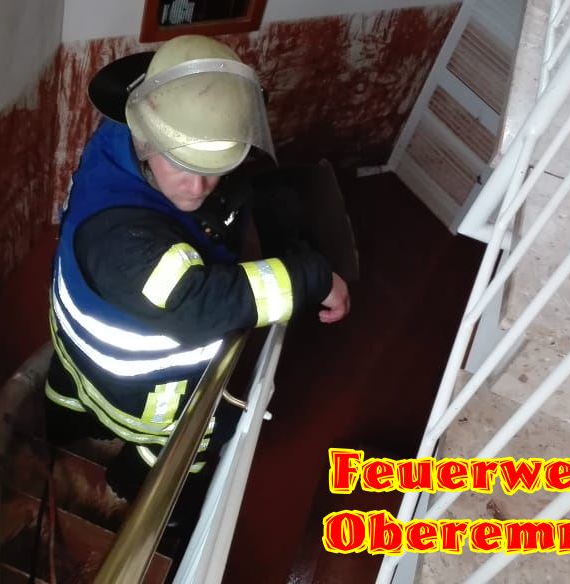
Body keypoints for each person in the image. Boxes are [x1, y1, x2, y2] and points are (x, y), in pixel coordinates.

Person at [44, 34, 350, 502]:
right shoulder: (123, 242)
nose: (201, 186)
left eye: (214, 167)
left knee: (66, 396)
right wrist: (312, 277)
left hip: (74, 351)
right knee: (197, 438)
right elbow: (199, 302)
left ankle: (58, 430)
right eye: (183, 165)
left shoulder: (121, 134)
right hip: (140, 392)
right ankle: (128, 492)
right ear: (147, 138)